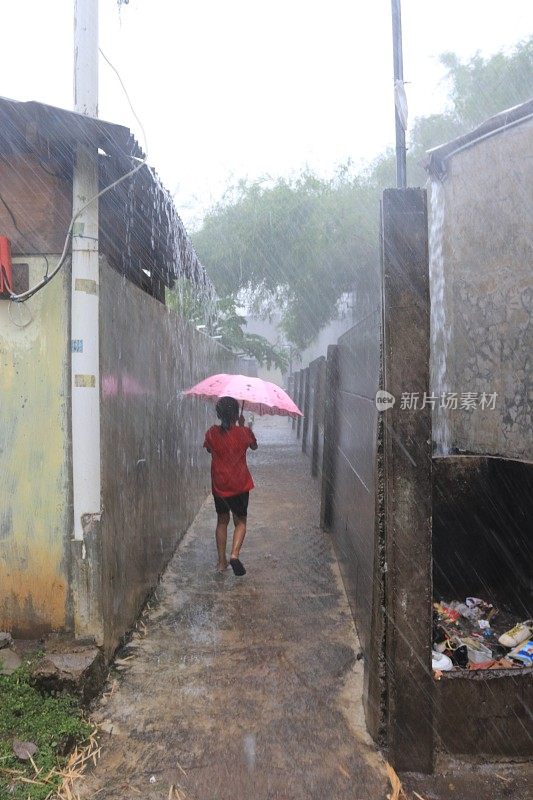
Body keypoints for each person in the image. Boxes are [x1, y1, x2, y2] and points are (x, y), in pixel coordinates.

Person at [203, 396, 258, 576]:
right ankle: (234, 554)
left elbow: (210, 449)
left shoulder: (211, 433)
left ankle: (221, 562)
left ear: (218, 414)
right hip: (240, 485)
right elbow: (254, 446)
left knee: (222, 520)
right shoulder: (244, 433)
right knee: (240, 521)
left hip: (220, 485)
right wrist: (242, 427)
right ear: (236, 414)